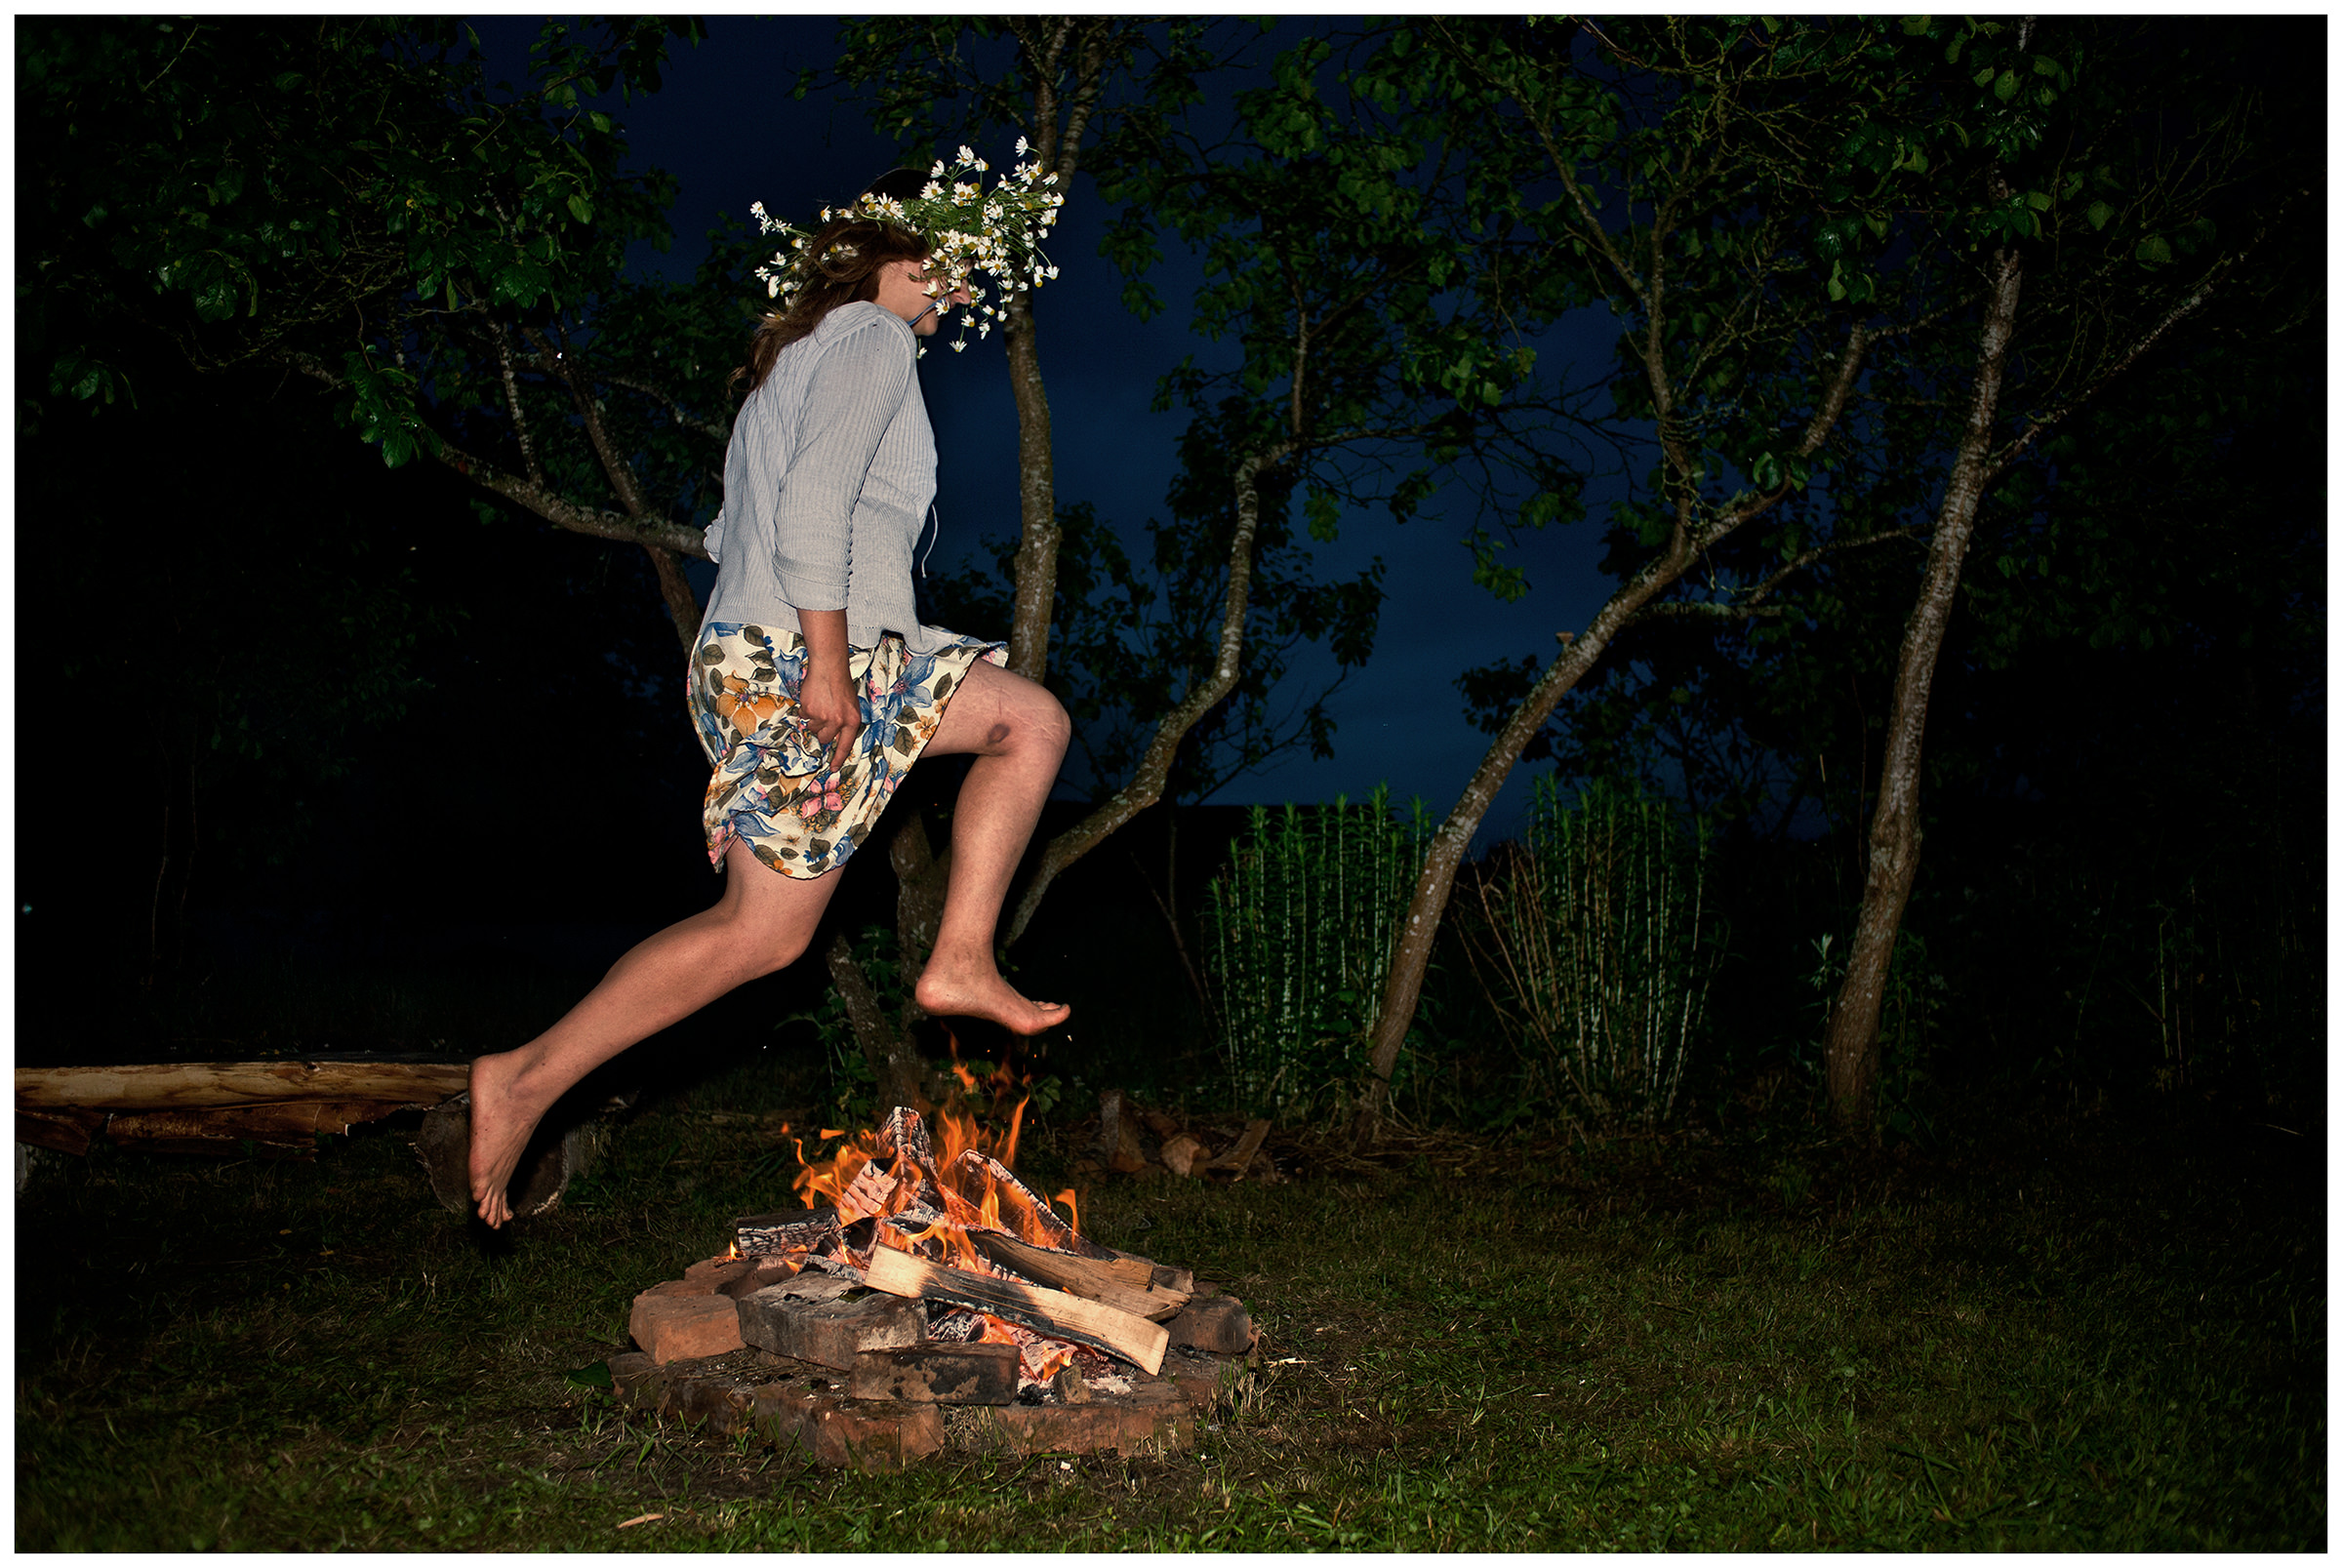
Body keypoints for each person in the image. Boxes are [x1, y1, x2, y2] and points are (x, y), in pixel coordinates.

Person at [465, 202, 1072, 1228]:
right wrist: (827, 665)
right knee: (762, 929)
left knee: (1023, 726)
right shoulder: (872, 337)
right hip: (807, 655)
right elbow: (811, 511)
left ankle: (961, 955)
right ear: (910, 255)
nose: (965, 291)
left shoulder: (790, 364)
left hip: (781, 648)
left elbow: (729, 525)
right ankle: (523, 1077)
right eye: (960, 265)